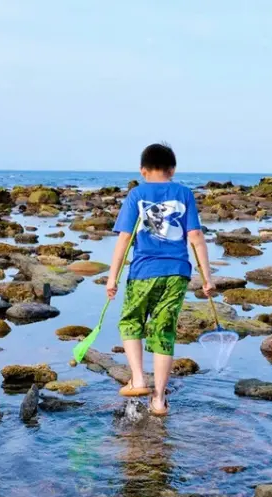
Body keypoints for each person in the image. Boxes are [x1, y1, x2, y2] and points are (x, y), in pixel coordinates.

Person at [107, 143, 213, 416]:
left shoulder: (136, 194)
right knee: (163, 330)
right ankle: (159, 400)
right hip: (177, 273)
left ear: (143, 171)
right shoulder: (185, 193)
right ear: (173, 169)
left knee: (131, 321)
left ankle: (139, 378)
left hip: (143, 272)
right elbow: (196, 237)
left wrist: (112, 277)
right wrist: (208, 277)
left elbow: (124, 239)